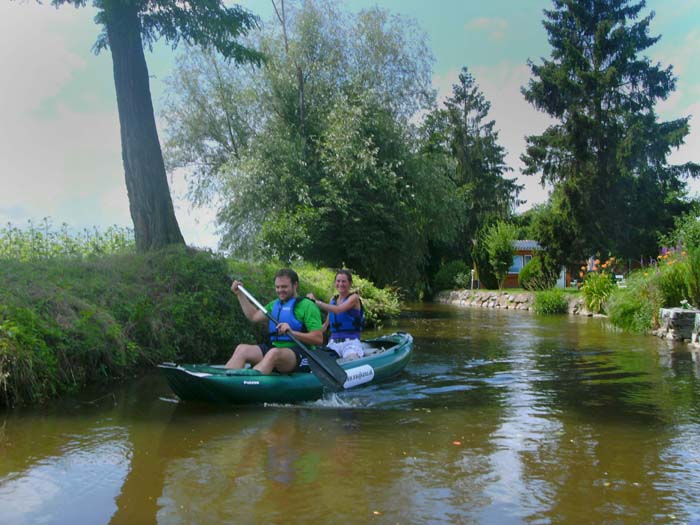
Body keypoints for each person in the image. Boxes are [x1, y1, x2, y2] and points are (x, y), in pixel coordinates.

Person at [226, 268, 323, 374]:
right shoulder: (275, 305)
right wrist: (239, 294)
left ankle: (248, 382)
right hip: (275, 348)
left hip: (300, 353)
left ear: (295, 285)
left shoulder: (307, 306)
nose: (280, 290)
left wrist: (292, 333)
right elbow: (253, 316)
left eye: (284, 287)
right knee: (242, 349)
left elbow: (318, 339)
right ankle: (223, 381)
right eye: (277, 287)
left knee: (274, 353)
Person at [307, 269, 365, 360]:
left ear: (350, 283)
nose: (340, 284)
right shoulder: (332, 300)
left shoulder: (354, 298)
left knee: (351, 359)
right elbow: (325, 326)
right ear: (335, 283)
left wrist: (316, 302)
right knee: (321, 360)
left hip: (351, 343)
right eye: (338, 281)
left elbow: (338, 310)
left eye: (343, 281)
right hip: (333, 344)